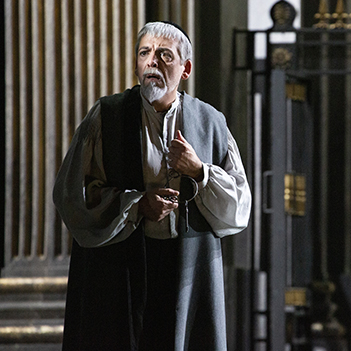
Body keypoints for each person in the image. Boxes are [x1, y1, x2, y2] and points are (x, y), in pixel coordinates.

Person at [53, 21, 252, 351]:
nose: (152, 62)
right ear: (135, 64)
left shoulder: (210, 121)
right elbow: (71, 194)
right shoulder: (107, 116)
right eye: (145, 53)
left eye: (164, 55)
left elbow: (239, 207)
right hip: (121, 268)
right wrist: (137, 205)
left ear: (185, 68)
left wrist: (200, 171)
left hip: (187, 267)